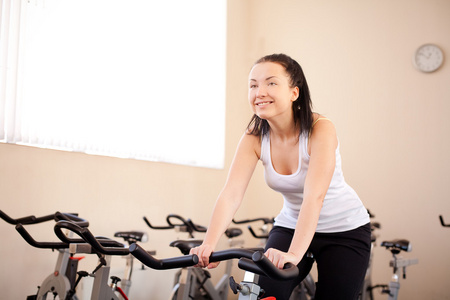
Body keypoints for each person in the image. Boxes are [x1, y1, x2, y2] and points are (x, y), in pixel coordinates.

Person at [190, 53, 371, 300]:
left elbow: (314, 196)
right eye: (253, 85)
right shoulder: (253, 137)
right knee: (265, 295)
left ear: (294, 92)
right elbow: (231, 193)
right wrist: (209, 244)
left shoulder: (321, 128)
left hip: (344, 229)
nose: (259, 92)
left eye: (271, 83)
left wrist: (294, 255)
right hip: (290, 224)